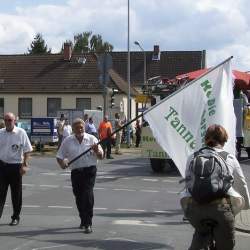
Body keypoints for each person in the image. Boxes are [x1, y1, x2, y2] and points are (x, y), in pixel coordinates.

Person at [181, 124, 250, 250]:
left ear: (206, 138)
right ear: (224, 140)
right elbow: (241, 183)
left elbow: (188, 182)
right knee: (226, 246)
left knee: (200, 231)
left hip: (194, 209)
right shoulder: (229, 157)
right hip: (220, 210)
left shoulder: (193, 156)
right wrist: (246, 205)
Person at [56, 118, 104, 234]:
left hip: (89, 171)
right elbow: (59, 156)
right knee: (78, 196)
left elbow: (101, 156)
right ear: (73, 129)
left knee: (87, 195)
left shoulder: (92, 139)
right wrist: (63, 164)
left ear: (84, 127)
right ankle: (83, 218)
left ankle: (88, 223)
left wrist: (97, 151)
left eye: (81, 127)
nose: (80, 129)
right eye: (77, 128)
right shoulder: (68, 141)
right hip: (76, 172)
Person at [0, 112, 33, 226]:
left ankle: (15, 217)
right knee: (1, 193)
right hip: (2, 166)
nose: (8, 122)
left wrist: (24, 164)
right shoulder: (0, 133)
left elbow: (27, 150)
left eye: (10, 120)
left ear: (14, 121)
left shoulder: (21, 133)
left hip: (15, 166)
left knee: (16, 194)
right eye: (6, 120)